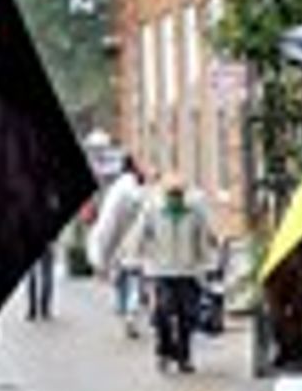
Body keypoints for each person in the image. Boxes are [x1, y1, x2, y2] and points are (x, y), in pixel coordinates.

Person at [133, 171, 215, 373]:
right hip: (162, 271)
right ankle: (164, 351)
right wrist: (136, 259)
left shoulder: (195, 212)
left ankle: (184, 357)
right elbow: (140, 235)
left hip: (189, 271)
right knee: (163, 312)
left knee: (188, 316)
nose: (175, 198)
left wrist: (208, 265)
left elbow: (203, 238)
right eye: (171, 193)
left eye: (178, 194)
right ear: (165, 194)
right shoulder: (153, 210)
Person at [88, 155, 147, 337]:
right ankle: (130, 314)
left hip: (119, 248)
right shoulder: (138, 191)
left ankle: (125, 312)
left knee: (122, 280)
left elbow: (107, 224)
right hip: (133, 246)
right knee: (133, 281)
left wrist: (101, 257)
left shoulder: (116, 192)